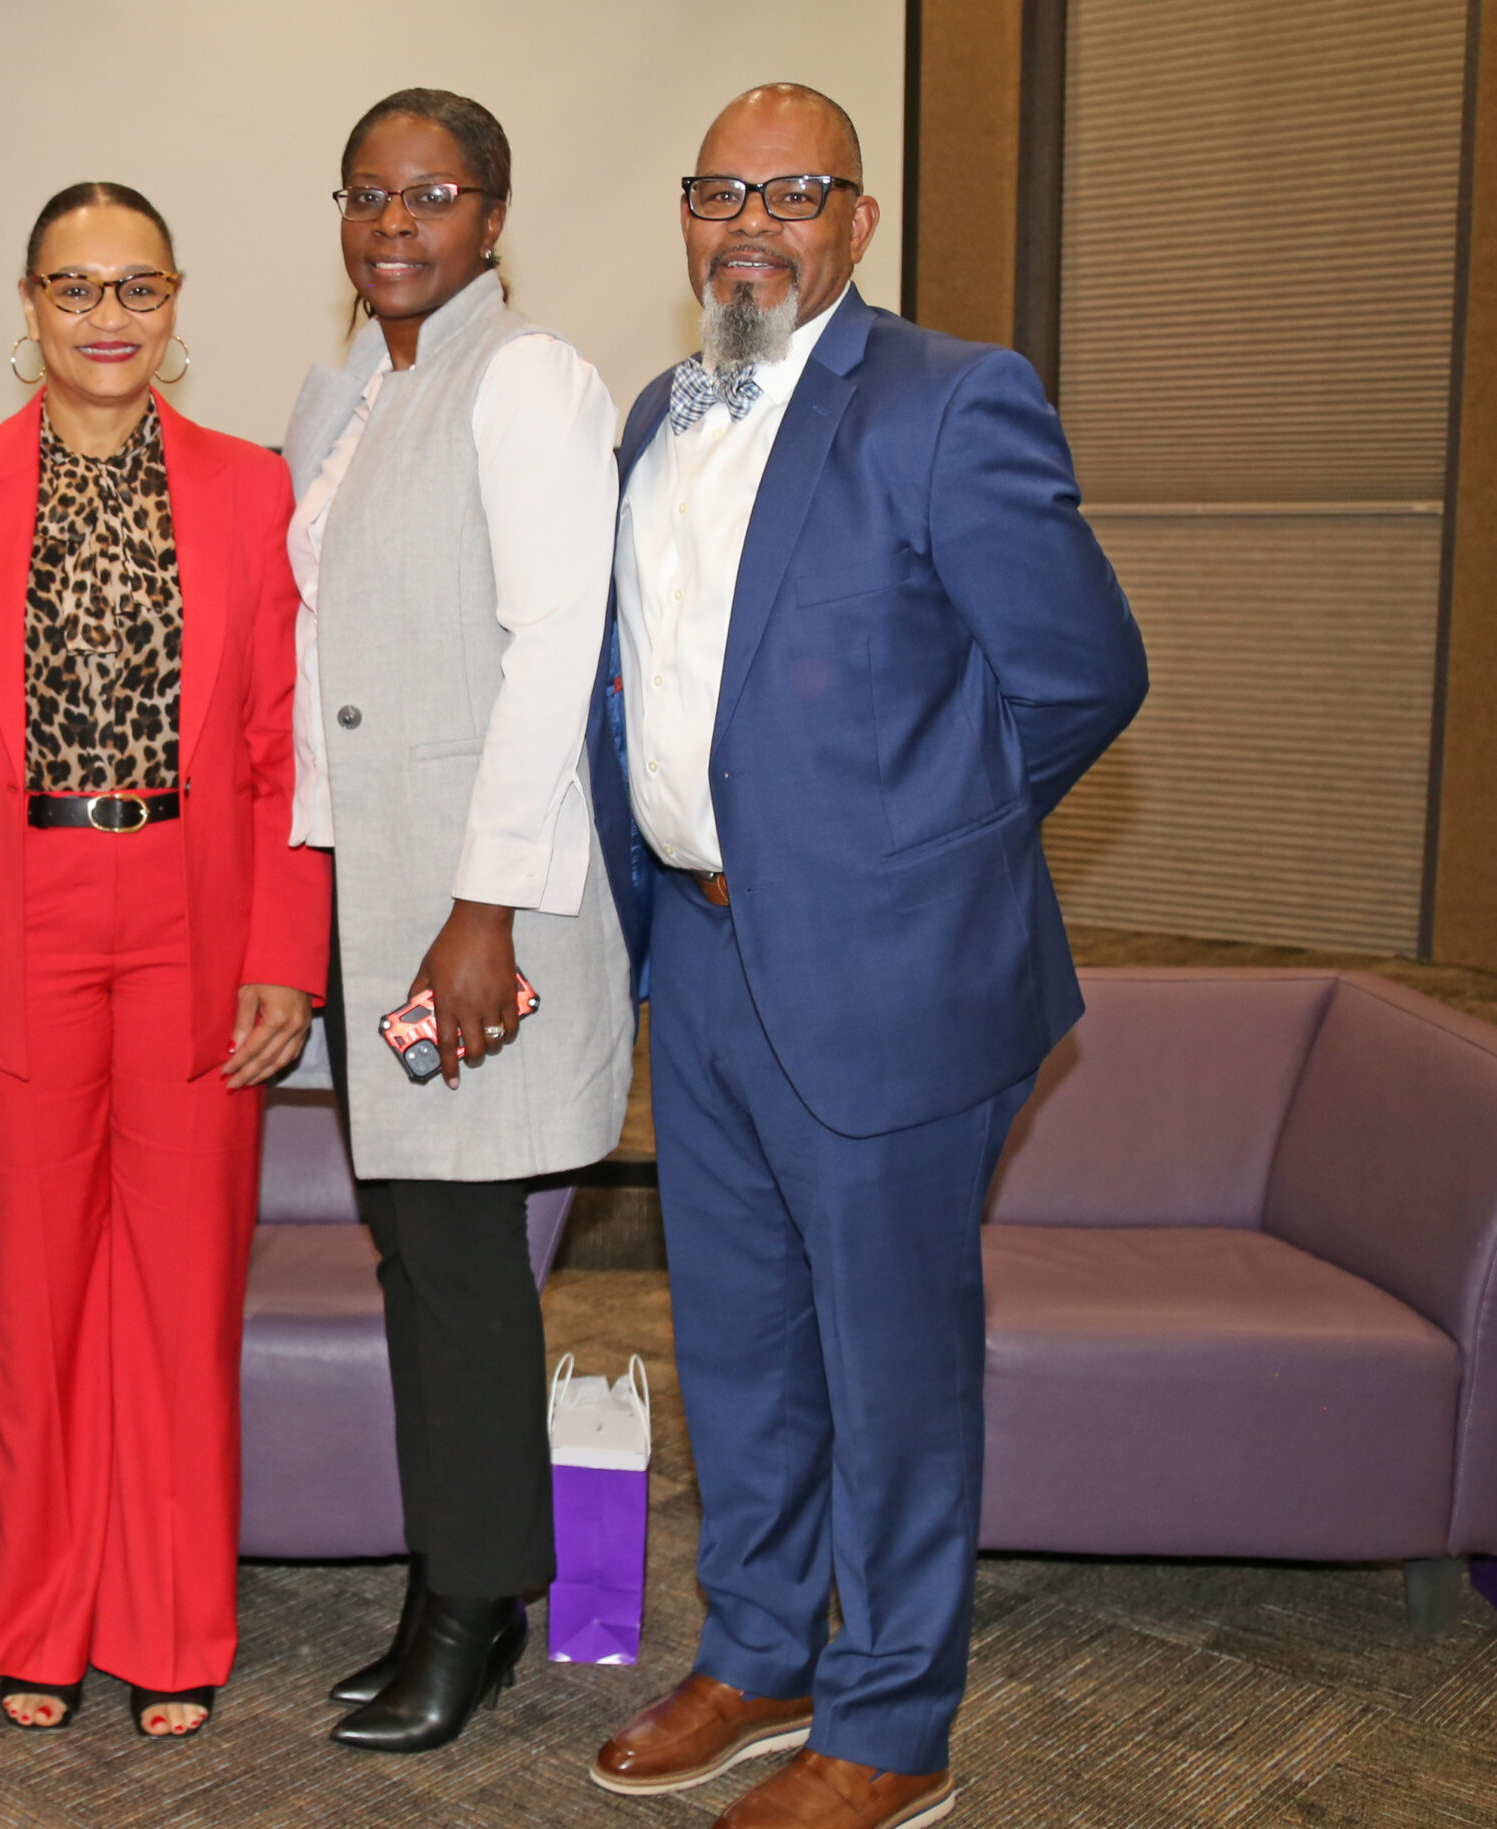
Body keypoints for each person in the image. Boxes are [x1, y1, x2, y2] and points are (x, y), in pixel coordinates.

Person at [582, 86, 1147, 1829]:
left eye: (795, 189)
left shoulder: (949, 399)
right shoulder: (655, 420)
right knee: (740, 1343)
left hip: (891, 974)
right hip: (704, 952)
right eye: (720, 190)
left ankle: (895, 1726)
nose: (752, 220)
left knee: (894, 1365)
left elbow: (1080, 672)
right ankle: (761, 1654)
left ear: (860, 220)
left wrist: (901, 858)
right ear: (685, 217)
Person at [0, 182, 330, 1740]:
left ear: (177, 300)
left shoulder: (250, 485)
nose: (108, 315)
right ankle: (45, 1613)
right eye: (76, 287)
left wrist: (286, 948)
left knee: (181, 1283)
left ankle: (173, 1619)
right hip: (18, 917)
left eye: (136, 286)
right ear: (28, 303)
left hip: (199, 913)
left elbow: (280, 755)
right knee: (34, 1283)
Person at [283, 90, 634, 1755]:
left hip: (473, 916)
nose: (395, 222)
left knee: (464, 1267)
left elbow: (557, 648)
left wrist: (480, 910)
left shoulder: (531, 378)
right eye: (368, 193)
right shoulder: (356, 392)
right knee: (422, 1257)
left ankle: (479, 1601)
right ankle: (453, 1584)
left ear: (494, 218)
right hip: (385, 910)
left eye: (432, 194)